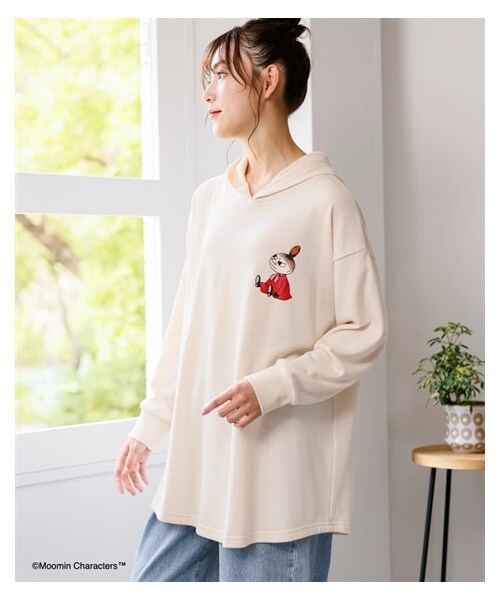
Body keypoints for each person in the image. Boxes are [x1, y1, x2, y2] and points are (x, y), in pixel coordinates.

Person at [113, 18, 387, 582]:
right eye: (206, 79)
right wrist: (151, 423)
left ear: (268, 80)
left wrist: (273, 386)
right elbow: (187, 324)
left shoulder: (327, 201)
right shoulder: (210, 199)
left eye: (220, 75)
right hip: (199, 466)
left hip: (278, 481)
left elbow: (363, 332)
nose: (207, 93)